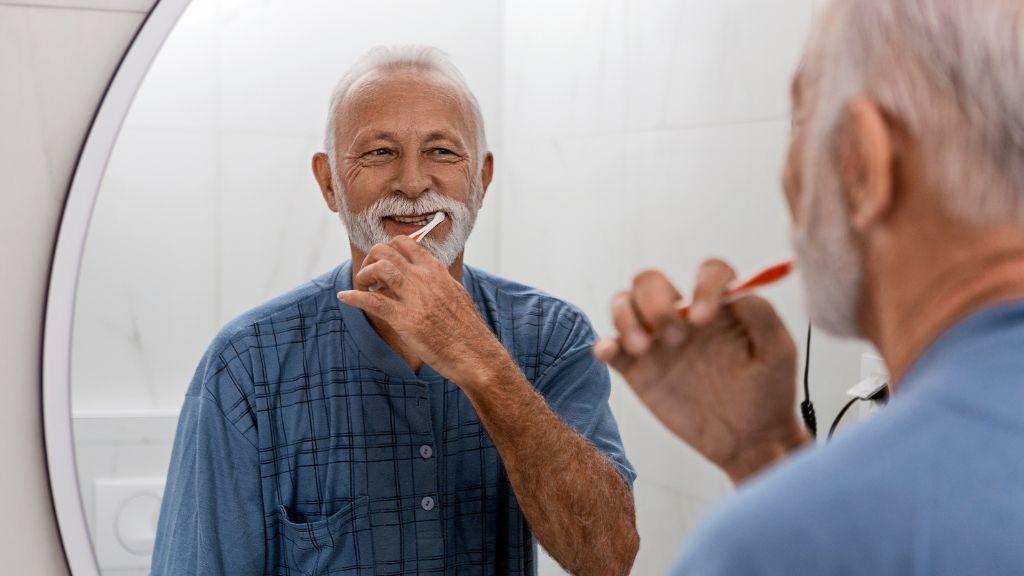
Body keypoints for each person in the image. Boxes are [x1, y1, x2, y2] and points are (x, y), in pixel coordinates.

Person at [152, 45, 638, 576]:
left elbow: (608, 557)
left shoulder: (553, 336)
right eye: (380, 152)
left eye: (442, 153)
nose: (412, 183)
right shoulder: (246, 366)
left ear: (483, 180)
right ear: (330, 183)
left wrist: (479, 361)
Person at [595, 0, 1024, 573]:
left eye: (800, 121)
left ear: (861, 164)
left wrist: (798, 522)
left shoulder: (765, 549)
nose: (786, 177)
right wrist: (767, 452)